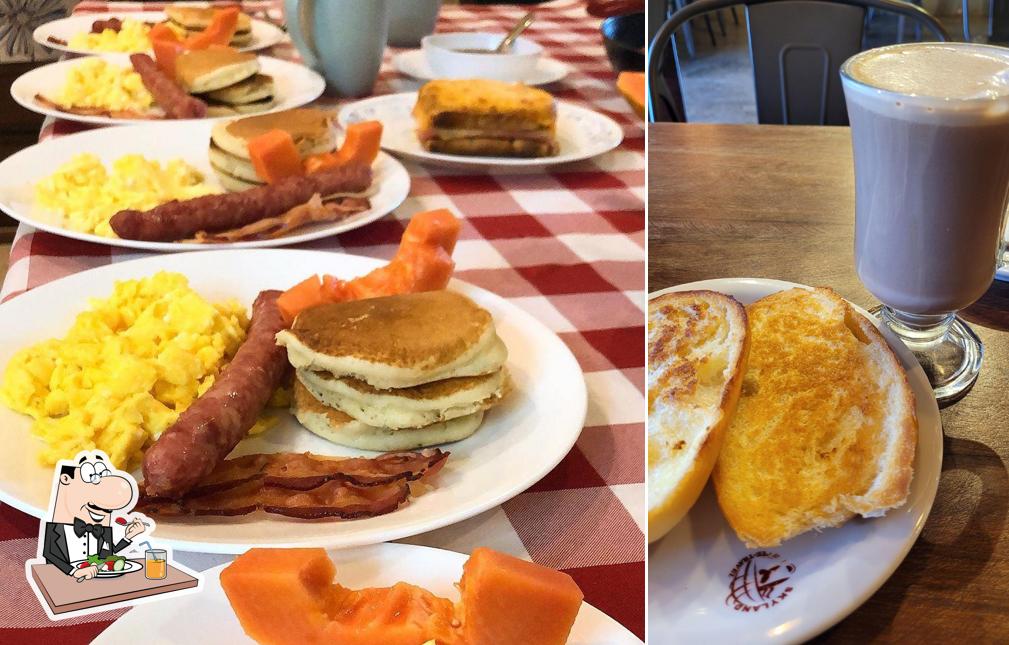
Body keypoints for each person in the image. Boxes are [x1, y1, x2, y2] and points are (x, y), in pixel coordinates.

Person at [40, 454, 146, 581]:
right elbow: (50, 553)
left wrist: (128, 537)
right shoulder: (58, 522)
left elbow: (107, 553)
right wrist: (74, 572)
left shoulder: (103, 525)